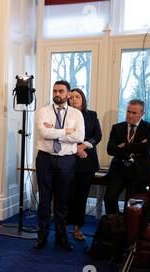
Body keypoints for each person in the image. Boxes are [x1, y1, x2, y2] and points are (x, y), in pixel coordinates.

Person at [34, 80, 85, 251]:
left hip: (66, 160)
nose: (57, 94)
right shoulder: (43, 111)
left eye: (61, 91)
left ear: (68, 94)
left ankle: (61, 237)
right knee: (44, 200)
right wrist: (65, 131)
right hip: (45, 159)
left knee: (63, 201)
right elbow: (43, 132)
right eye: (55, 91)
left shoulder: (76, 114)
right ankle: (42, 237)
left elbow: (79, 137)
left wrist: (55, 132)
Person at [104, 99, 150, 215]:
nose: (130, 115)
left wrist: (124, 146)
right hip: (119, 169)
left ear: (142, 114)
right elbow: (110, 149)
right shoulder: (117, 128)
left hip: (139, 171)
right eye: (128, 112)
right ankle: (115, 224)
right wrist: (137, 147)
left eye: (134, 113)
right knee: (109, 198)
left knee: (132, 204)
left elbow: (147, 148)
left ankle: (129, 230)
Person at [67, 88, 102, 241]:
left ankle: (77, 228)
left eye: (77, 97)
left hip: (87, 161)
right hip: (68, 160)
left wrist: (83, 146)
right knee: (67, 196)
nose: (74, 99)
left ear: (83, 99)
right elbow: (61, 136)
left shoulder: (91, 115)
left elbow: (97, 135)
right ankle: (63, 227)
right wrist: (75, 148)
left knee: (81, 196)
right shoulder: (63, 115)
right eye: (72, 97)